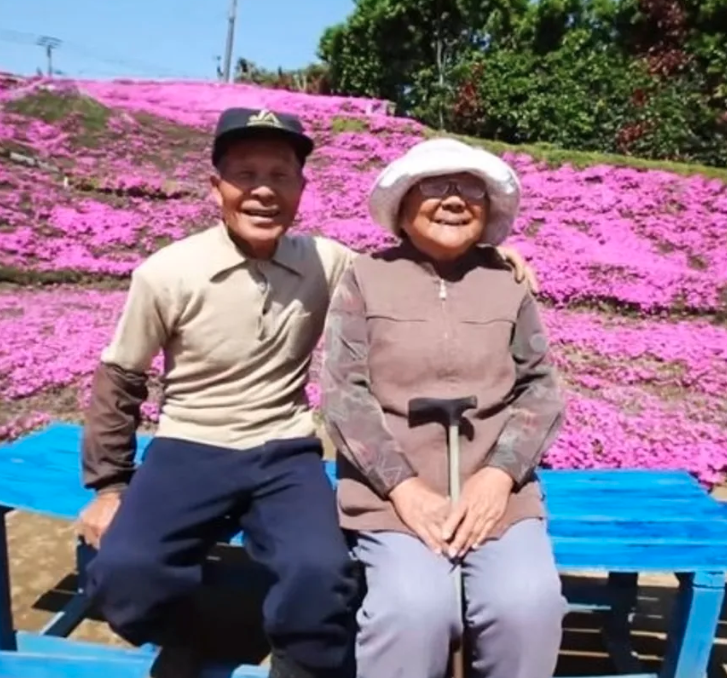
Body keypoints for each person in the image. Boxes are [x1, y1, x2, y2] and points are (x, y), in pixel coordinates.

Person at [76, 110, 539, 678]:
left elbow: (417, 259)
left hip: (285, 451)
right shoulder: (167, 273)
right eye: (245, 175)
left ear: (301, 188)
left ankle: (301, 668)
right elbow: (120, 378)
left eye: (281, 175)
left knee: (321, 575)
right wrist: (108, 486)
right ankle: (203, 632)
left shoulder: (329, 261)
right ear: (215, 185)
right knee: (125, 573)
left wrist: (491, 256)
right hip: (189, 446)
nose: (263, 191)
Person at [321, 137, 568, 678]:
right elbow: (343, 392)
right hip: (393, 495)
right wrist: (404, 488)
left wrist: (499, 478)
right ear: (403, 207)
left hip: (495, 493)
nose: (453, 199)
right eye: (433, 185)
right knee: (413, 613)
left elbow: (541, 388)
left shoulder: (508, 282)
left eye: (469, 188)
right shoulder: (365, 277)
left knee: (528, 607)